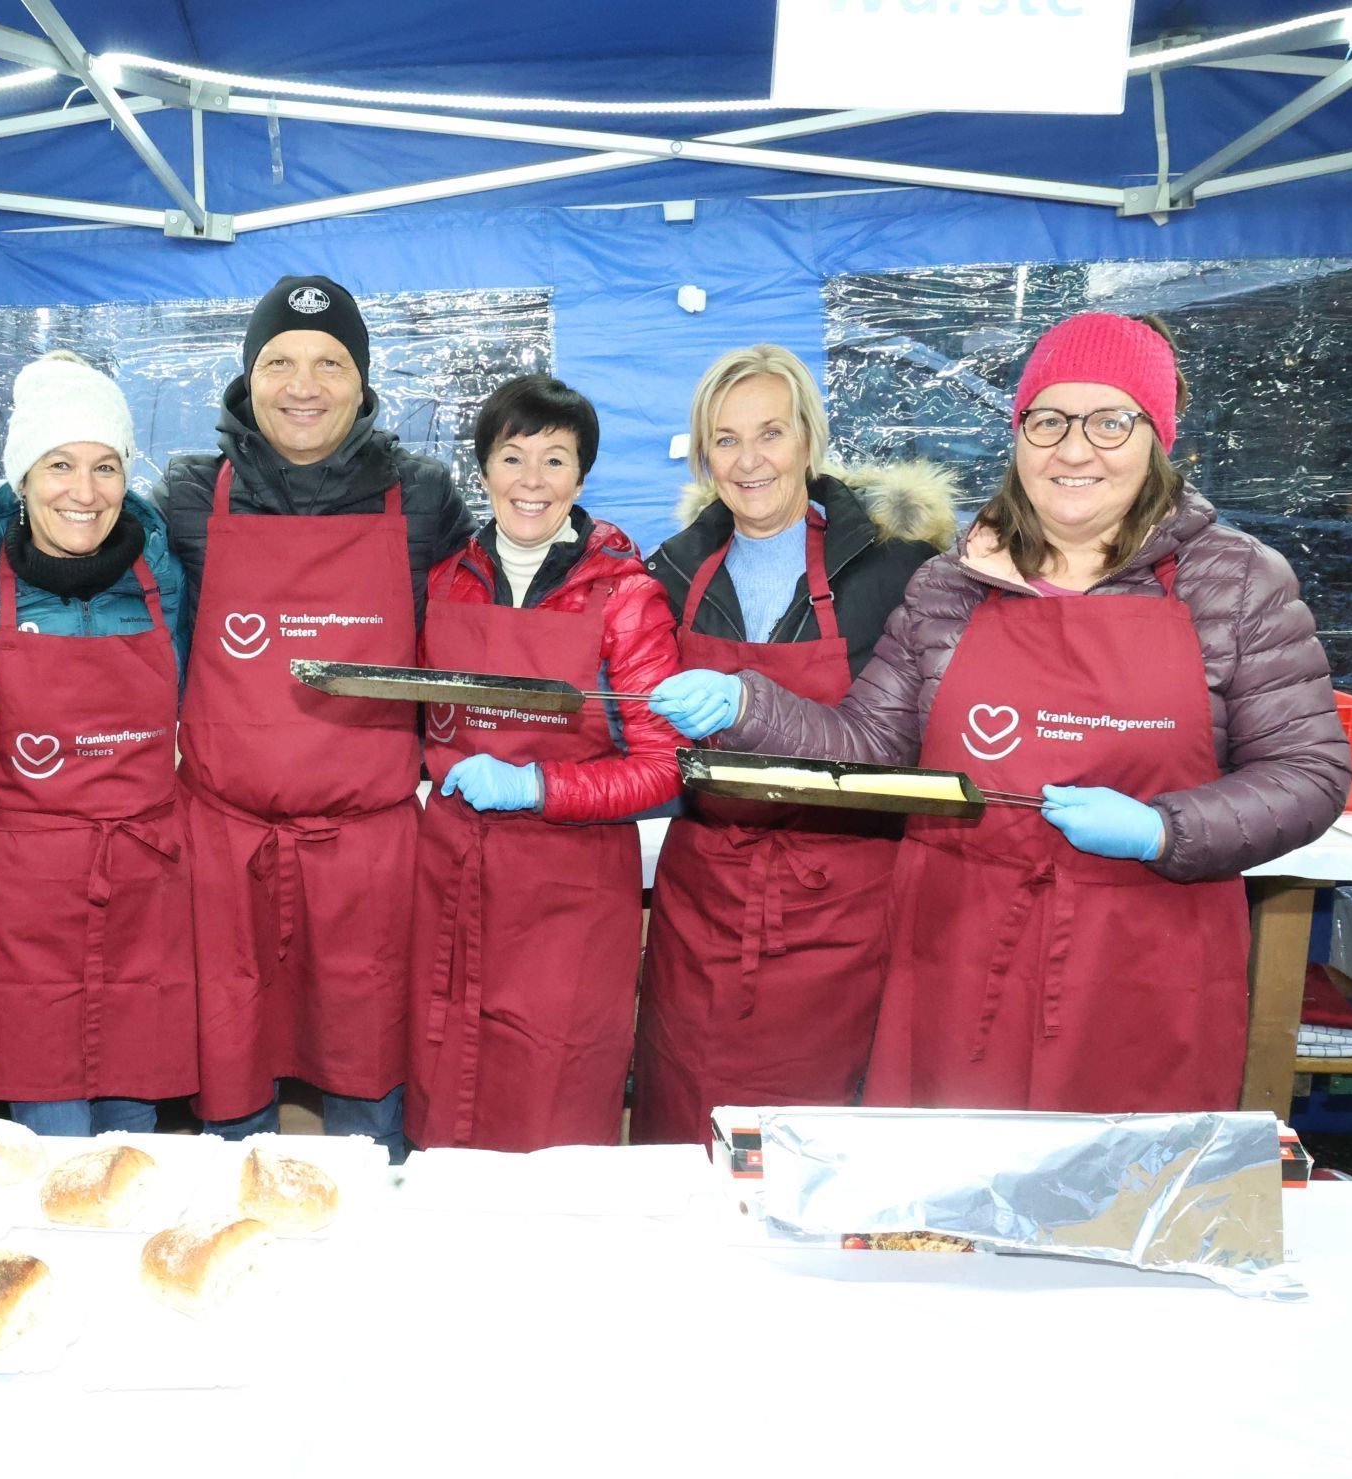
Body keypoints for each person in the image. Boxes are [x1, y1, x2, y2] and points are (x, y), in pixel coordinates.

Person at [647, 312, 1352, 1112]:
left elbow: (1310, 772)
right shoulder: (953, 584)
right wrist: (751, 704)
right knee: (943, 1218)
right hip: (955, 956)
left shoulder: (1235, 582)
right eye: (1048, 421)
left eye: (1110, 421)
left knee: (1113, 1209)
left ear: (1158, 436)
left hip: (1143, 960)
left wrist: (1167, 829)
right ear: (1019, 435)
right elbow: (872, 744)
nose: (1074, 449)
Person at [158, 274, 475, 1160]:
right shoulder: (190, 495)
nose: (304, 384)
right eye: (280, 361)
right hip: (225, 848)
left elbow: (477, 624)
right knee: (231, 1094)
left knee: (370, 1096)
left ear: (363, 383)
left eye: (329, 362)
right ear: (247, 376)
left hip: (368, 849)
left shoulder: (422, 499)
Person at [634, 345, 954, 1147]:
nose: (749, 461)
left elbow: (919, 744)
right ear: (705, 455)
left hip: (841, 904)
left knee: (812, 1143)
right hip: (703, 897)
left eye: (770, 433)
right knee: (687, 1125)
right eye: (726, 439)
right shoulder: (672, 573)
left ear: (809, 440)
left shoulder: (896, 569)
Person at [408, 376, 684, 1150]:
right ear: (484, 471)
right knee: (447, 1085)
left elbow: (665, 767)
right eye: (513, 456)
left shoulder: (627, 598)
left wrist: (537, 784)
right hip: (453, 879)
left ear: (582, 477)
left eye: (555, 460)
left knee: (550, 1099)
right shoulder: (445, 582)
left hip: (568, 893)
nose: (532, 482)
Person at [0, 352, 195, 1136]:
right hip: (31, 902)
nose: (85, 492)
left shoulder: (160, 571)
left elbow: (191, 707)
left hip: (148, 887)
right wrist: (24, 821)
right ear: (22, 476)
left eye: (106, 466)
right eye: (60, 465)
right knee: (50, 1138)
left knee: (132, 1133)